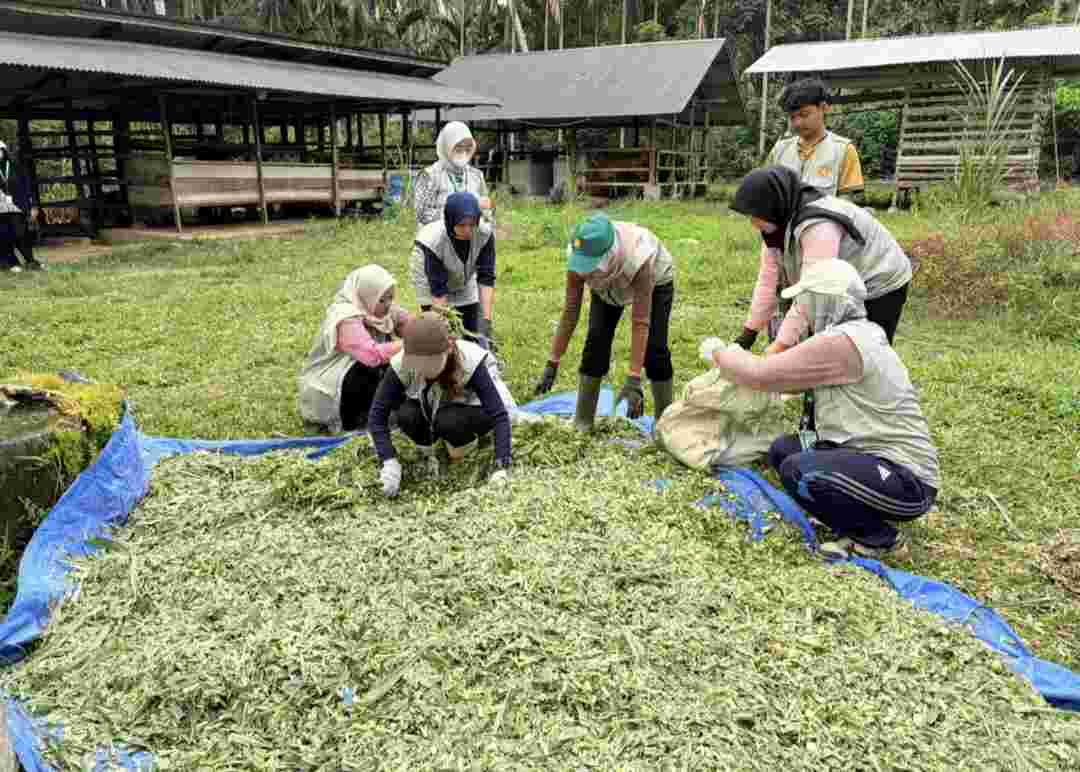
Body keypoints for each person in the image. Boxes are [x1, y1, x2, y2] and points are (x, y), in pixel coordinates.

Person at [708, 259, 939, 560]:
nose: (804, 309)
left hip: (908, 479)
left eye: (808, 301)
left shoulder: (843, 342)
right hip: (868, 455)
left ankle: (881, 539)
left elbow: (761, 375)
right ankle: (845, 507)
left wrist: (720, 353)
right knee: (783, 451)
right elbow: (789, 383)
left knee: (800, 472)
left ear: (826, 301)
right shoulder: (854, 334)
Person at [730, 166, 911, 354]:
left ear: (772, 205)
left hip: (880, 279)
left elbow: (812, 293)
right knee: (827, 348)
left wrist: (779, 346)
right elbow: (767, 283)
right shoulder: (776, 229)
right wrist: (746, 337)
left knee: (867, 351)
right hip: (843, 282)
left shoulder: (819, 226)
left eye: (755, 215)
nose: (752, 222)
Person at [533, 213, 676, 430]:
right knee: (596, 339)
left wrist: (634, 380)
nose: (585, 271)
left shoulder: (639, 256)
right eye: (583, 266)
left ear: (607, 255)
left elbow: (640, 322)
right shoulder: (578, 254)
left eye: (590, 265)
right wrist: (553, 362)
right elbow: (571, 311)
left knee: (655, 349)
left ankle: (666, 426)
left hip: (655, 280)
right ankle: (583, 421)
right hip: (608, 286)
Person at [368, 312, 513, 497]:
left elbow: (499, 415)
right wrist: (389, 461)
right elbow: (377, 416)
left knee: (448, 420)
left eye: (429, 362)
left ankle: (461, 457)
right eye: (418, 363)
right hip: (432, 406)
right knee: (406, 415)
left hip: (471, 409)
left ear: (448, 349)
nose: (423, 369)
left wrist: (502, 465)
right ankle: (430, 457)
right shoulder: (402, 364)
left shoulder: (470, 361)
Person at [298, 265, 411, 434]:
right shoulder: (346, 317)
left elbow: (404, 321)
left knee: (393, 367)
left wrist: (427, 327)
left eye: (390, 297)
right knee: (371, 369)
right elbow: (371, 355)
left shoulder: (375, 307)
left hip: (360, 372)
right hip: (333, 384)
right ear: (366, 296)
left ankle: (383, 411)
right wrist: (412, 342)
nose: (388, 304)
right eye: (382, 300)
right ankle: (355, 419)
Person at [411, 191, 497, 347]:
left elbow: (486, 278)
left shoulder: (484, 234)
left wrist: (486, 321)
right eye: (462, 225)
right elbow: (438, 290)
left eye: (472, 224)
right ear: (451, 221)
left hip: (463, 273)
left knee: (474, 330)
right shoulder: (433, 242)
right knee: (439, 330)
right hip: (430, 276)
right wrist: (445, 327)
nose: (468, 230)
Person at [767, 78, 864, 200]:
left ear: (824, 108)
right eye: (792, 117)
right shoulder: (779, 150)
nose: (797, 123)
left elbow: (846, 204)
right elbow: (768, 195)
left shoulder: (843, 150)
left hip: (824, 219)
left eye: (804, 114)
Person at [413, 121, 493, 229]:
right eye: (458, 147)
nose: (464, 151)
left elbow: (487, 210)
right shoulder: (430, 175)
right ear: (447, 145)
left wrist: (486, 210)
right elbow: (422, 214)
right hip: (437, 240)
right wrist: (457, 214)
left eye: (468, 147)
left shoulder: (476, 175)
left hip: (470, 238)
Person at [0, 140, 43, 272]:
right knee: (4, 235)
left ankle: (31, 261)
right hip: (1, 207)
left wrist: (33, 205)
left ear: (4, 151)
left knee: (21, 233)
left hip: (17, 205)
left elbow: (28, 187)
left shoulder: (15, 166)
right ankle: (12, 263)